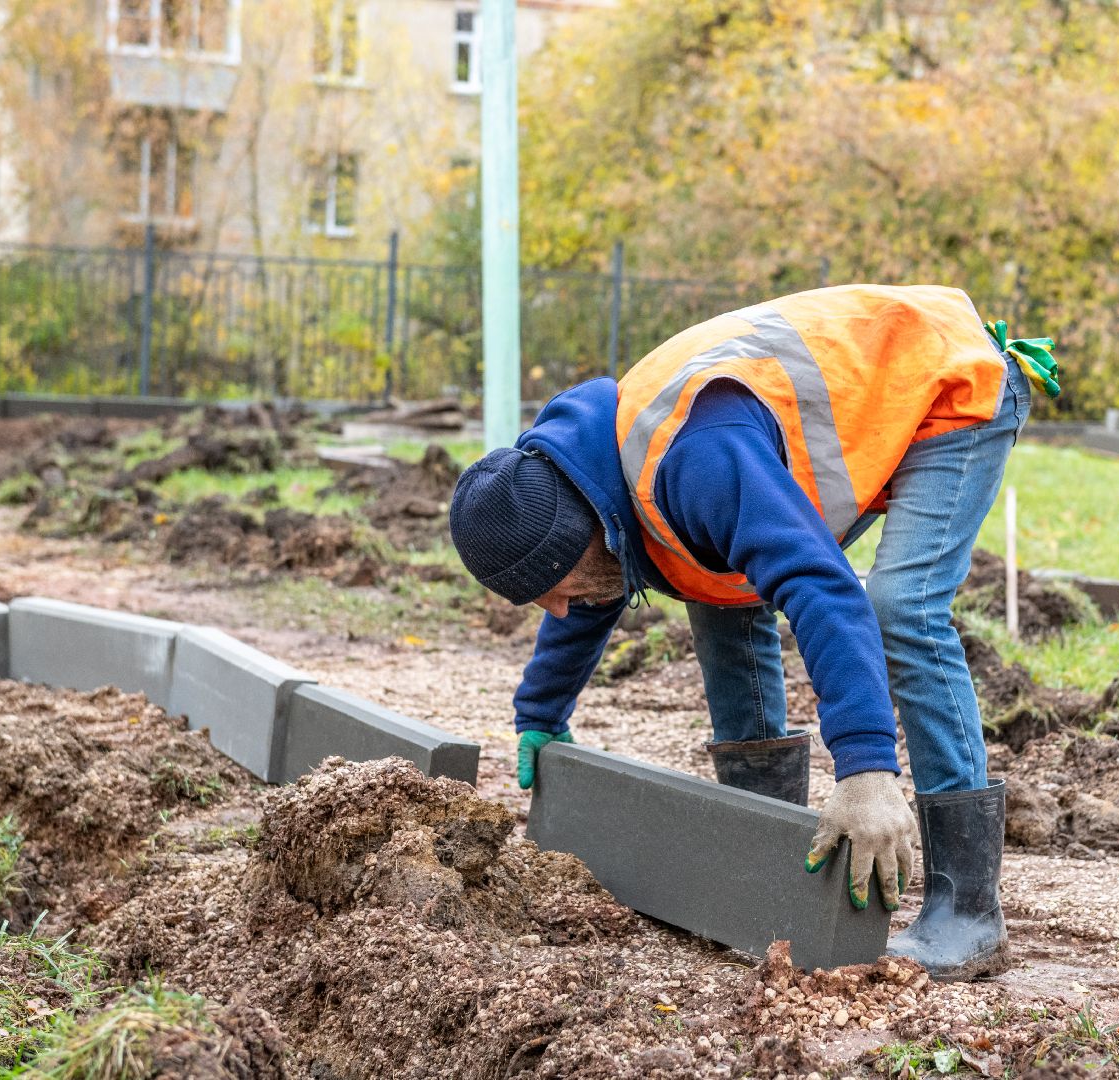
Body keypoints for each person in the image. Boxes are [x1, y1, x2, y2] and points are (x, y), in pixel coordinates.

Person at [448, 284, 1058, 980]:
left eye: (551, 592)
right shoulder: (591, 485)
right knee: (714, 583)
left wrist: (865, 771)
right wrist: (542, 712)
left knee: (902, 609)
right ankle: (773, 862)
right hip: (835, 419)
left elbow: (824, 590)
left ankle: (969, 911)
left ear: (579, 541)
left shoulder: (696, 457)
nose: (559, 611)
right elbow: (592, 592)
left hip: (943, 385)